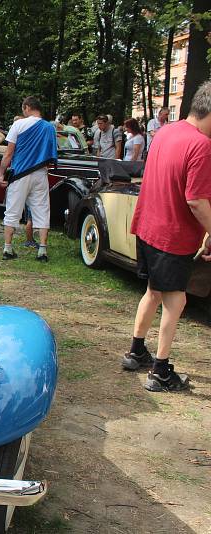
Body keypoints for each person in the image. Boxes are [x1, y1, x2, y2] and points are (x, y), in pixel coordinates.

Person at [123, 82, 211, 391]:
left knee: (154, 291)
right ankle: (160, 372)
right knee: (176, 301)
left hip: (148, 226)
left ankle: (136, 351)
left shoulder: (166, 131)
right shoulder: (201, 145)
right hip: (172, 235)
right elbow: (196, 200)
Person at [0, 96, 58, 262]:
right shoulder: (49, 128)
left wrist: (1, 173)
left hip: (20, 174)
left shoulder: (18, 124)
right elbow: (52, 154)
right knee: (42, 210)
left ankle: (8, 248)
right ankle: (43, 250)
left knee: (12, 210)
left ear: (26, 107)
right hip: (40, 173)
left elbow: (9, 153)